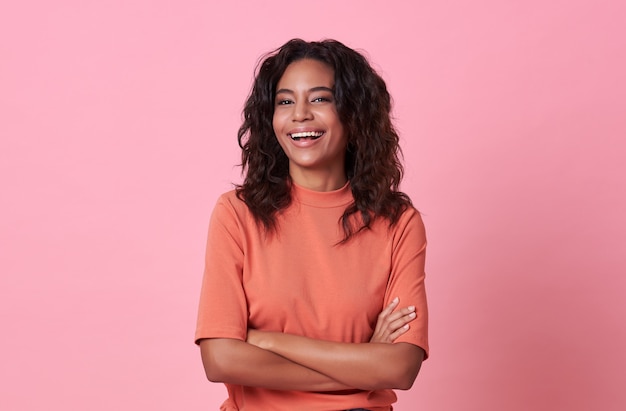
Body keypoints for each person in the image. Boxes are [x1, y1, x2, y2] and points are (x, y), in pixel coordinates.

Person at [195, 38, 429, 411]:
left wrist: (270, 341)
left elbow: (400, 368)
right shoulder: (237, 214)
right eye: (285, 102)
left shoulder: (398, 223)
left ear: (354, 113)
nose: (300, 114)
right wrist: (364, 362)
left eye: (320, 98)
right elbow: (221, 360)